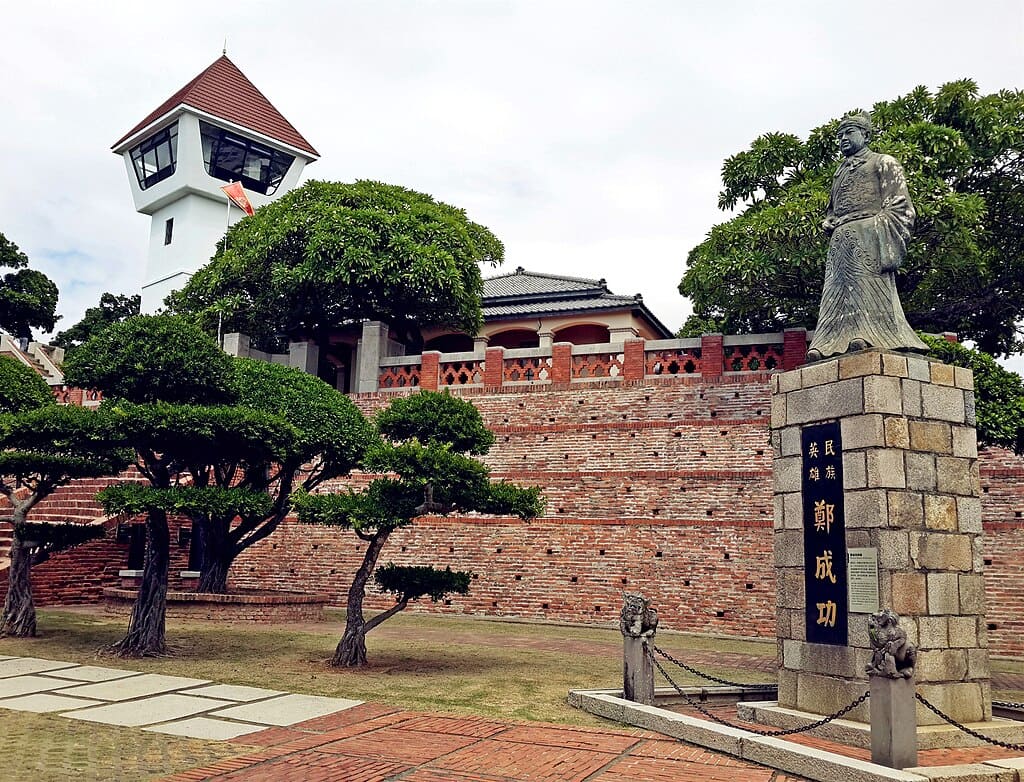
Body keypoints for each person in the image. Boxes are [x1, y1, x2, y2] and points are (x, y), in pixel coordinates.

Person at [806, 112, 926, 362]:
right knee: (835, 292)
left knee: (867, 285)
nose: (843, 139)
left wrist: (874, 227)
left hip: (871, 235)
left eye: (849, 132)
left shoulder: (883, 163)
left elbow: (901, 205)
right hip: (841, 241)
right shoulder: (840, 173)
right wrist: (829, 221)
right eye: (839, 135)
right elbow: (833, 209)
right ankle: (827, 342)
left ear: (866, 135)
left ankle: (871, 336)